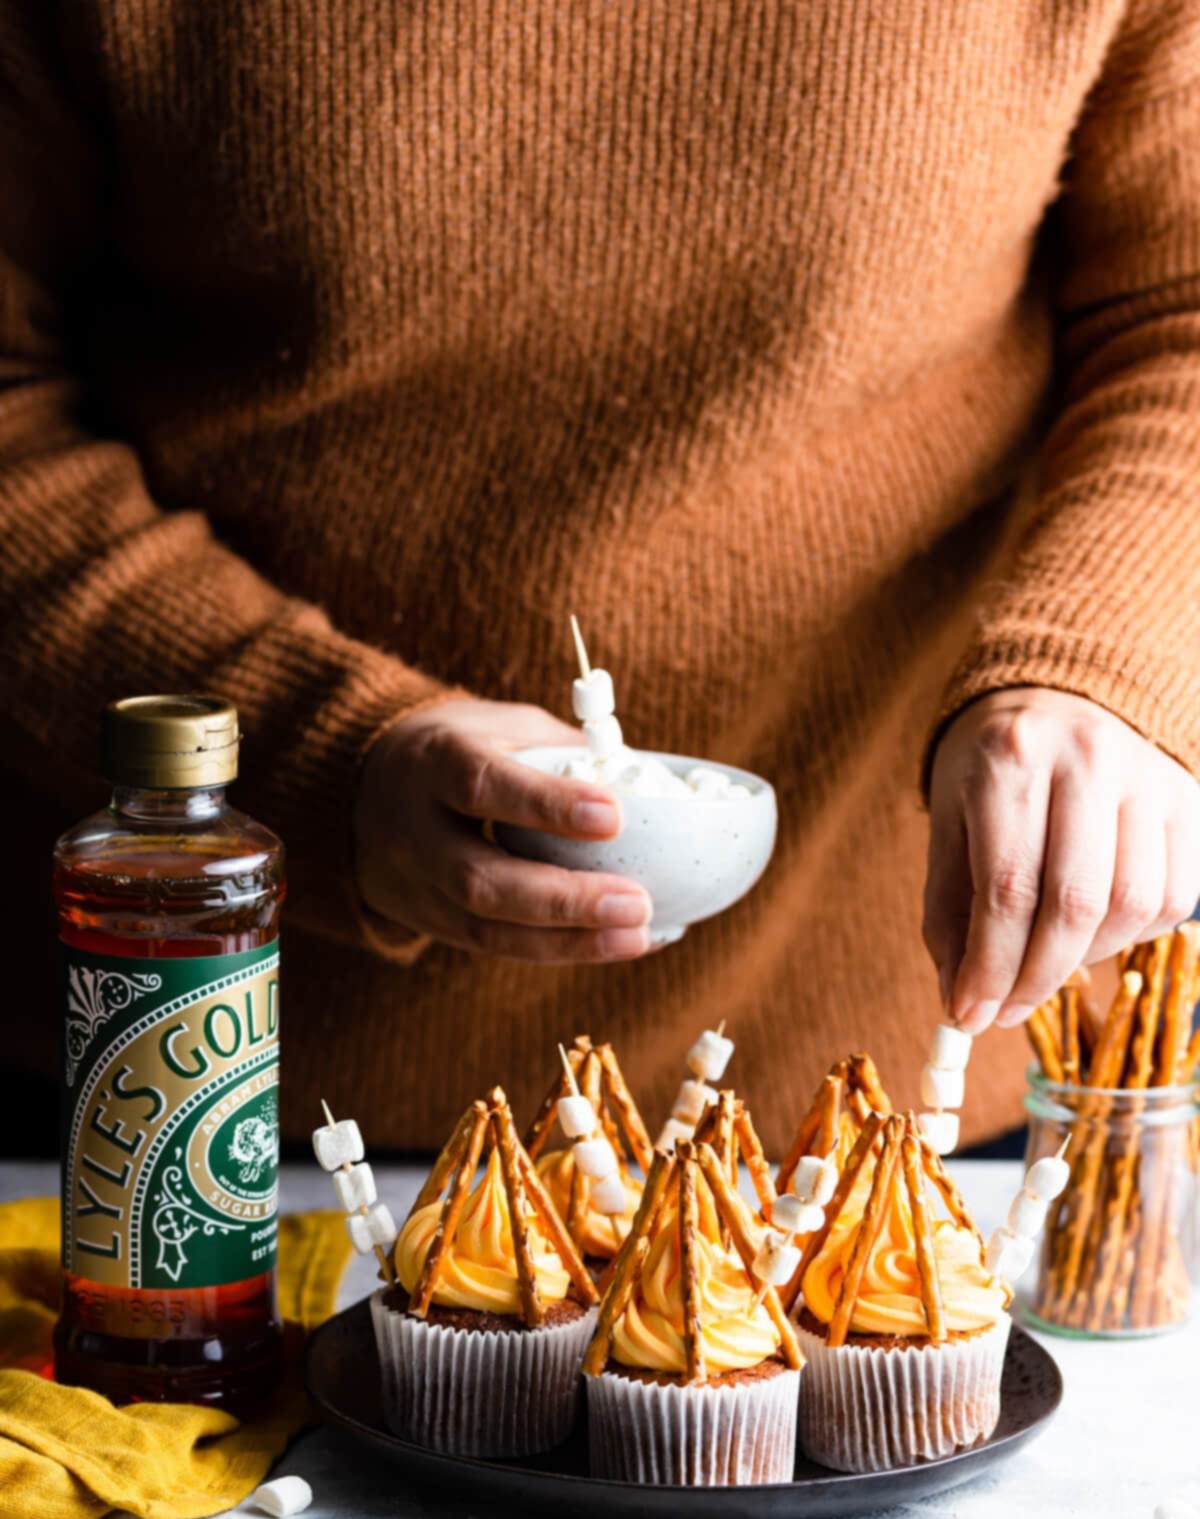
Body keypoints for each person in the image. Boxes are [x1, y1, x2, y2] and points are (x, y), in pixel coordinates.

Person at [2, 2, 1198, 1154]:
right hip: (181, 1102)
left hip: (915, 1111)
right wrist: (318, 751)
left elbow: (1178, 314)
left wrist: (1098, 655)